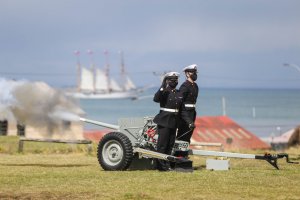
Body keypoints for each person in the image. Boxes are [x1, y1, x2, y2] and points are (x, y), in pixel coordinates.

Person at [153, 71, 182, 171]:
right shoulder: (164, 91)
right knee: (162, 145)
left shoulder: (179, 93)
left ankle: (167, 164)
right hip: (164, 120)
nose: (174, 81)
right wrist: (162, 85)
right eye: (172, 80)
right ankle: (160, 165)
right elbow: (156, 99)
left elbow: (180, 108)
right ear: (168, 81)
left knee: (170, 144)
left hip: (174, 121)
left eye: (176, 80)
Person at [177, 64, 199, 144]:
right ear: (187, 74)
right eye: (192, 72)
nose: (194, 74)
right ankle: (179, 155)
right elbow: (180, 103)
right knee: (182, 136)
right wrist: (187, 119)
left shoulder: (195, 86)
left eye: (195, 72)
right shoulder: (184, 86)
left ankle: (184, 155)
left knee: (188, 136)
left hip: (192, 113)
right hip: (185, 114)